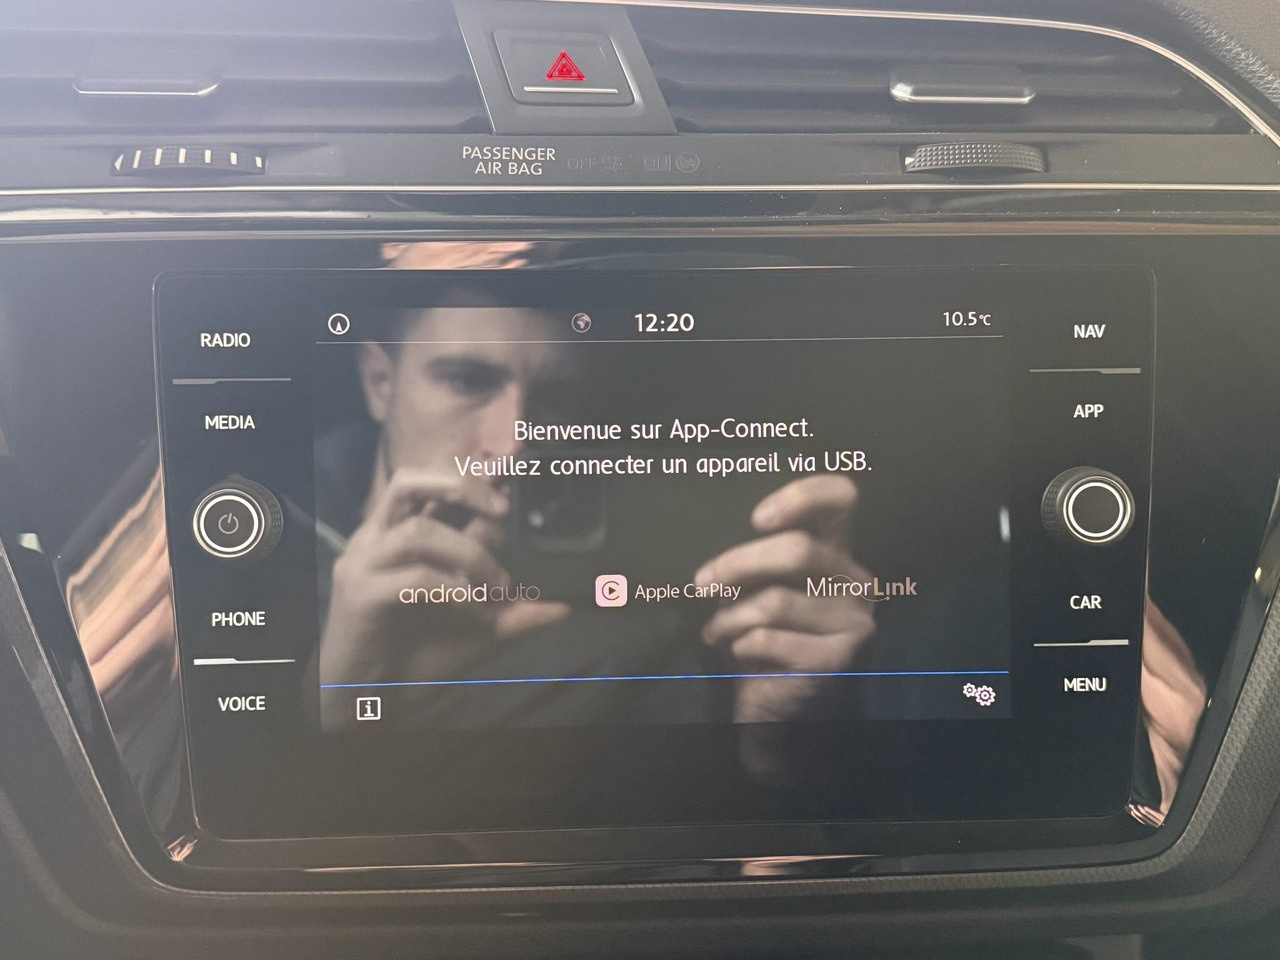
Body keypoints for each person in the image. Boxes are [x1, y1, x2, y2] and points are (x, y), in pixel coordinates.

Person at [315, 291, 875, 740]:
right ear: (379, 383)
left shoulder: (658, 612)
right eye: (467, 381)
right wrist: (338, 712)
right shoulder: (278, 558)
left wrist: (777, 746)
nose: (513, 443)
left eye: (554, 397)